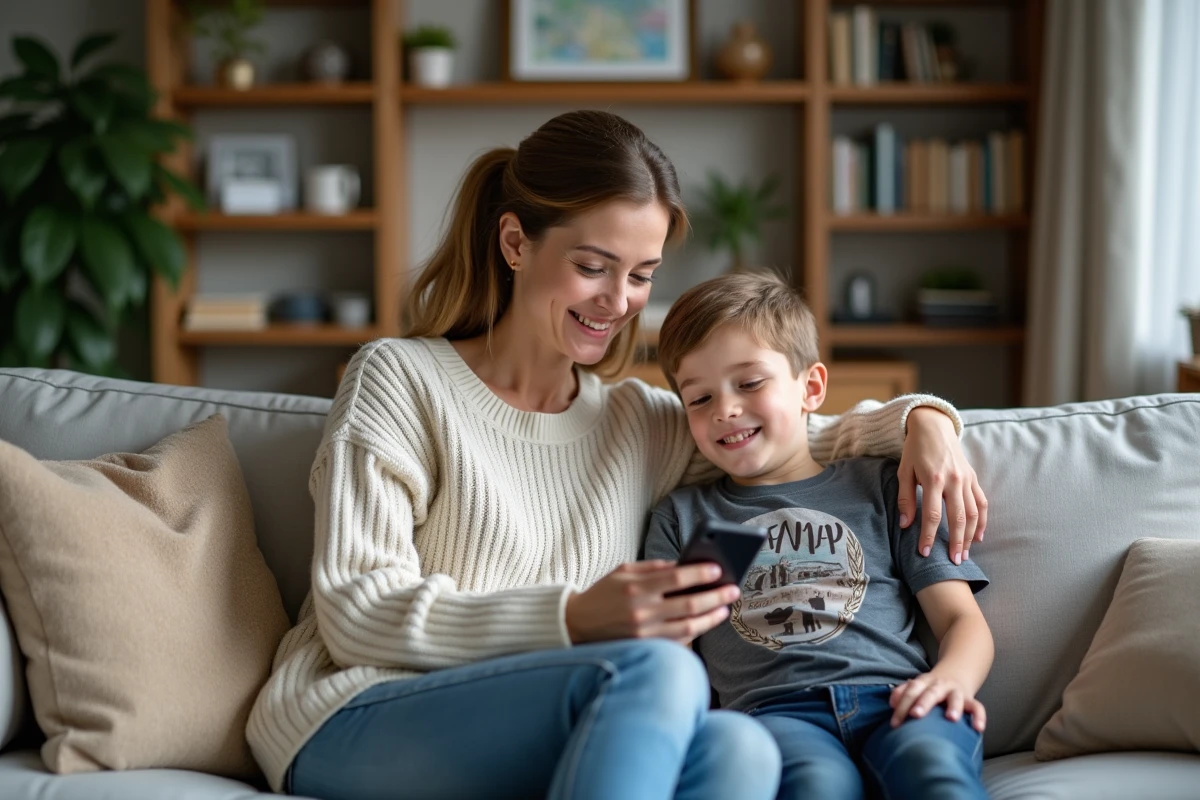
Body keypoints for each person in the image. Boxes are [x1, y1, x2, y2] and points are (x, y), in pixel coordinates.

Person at [245, 110, 988, 800]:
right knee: (662, 672)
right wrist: (572, 617)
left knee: (743, 751)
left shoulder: (642, 423)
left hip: (557, 717)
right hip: (356, 712)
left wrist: (927, 421)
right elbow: (355, 611)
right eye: (594, 266)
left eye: (641, 275)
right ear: (514, 243)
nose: (619, 301)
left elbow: (800, 433)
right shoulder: (399, 378)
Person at [643, 271, 994, 800]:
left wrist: (953, 681)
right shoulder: (689, 516)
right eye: (699, 398)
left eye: (750, 383)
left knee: (932, 770)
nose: (725, 409)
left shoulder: (880, 485)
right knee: (816, 786)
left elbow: (962, 619)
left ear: (810, 388)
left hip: (899, 699)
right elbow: (673, 655)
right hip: (774, 716)